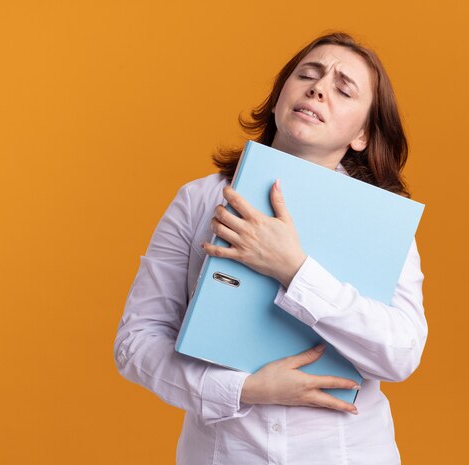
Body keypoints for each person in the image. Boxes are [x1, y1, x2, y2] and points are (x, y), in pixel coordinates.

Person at [114, 32, 428, 465]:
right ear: (280, 97)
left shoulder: (383, 226)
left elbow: (401, 352)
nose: (318, 88)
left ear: (362, 135)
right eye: (308, 75)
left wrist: (294, 270)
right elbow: (136, 341)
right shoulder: (198, 200)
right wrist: (244, 390)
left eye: (343, 88)